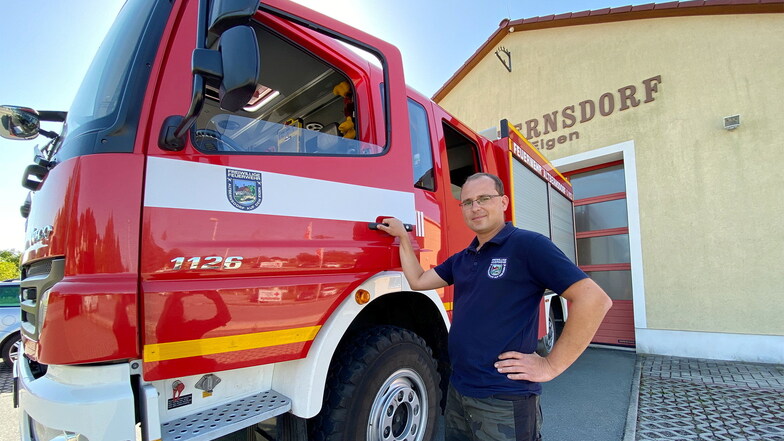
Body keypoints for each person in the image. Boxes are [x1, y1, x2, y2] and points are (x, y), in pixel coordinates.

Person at [378, 172, 612, 441]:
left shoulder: (528, 246)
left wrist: (551, 366)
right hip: (459, 393)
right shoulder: (462, 259)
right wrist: (402, 239)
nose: (475, 207)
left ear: (503, 202)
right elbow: (418, 280)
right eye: (467, 202)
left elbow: (594, 300)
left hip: (503, 399)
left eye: (484, 198)